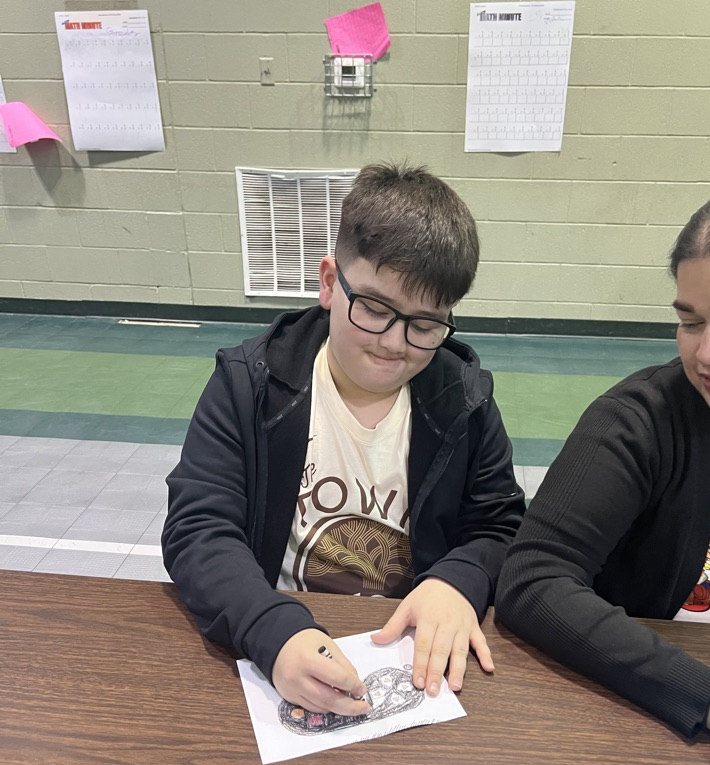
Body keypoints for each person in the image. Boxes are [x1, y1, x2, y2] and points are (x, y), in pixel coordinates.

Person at [163, 162, 524, 716]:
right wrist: (269, 627)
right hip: (279, 639)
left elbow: (500, 525)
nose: (393, 343)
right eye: (375, 308)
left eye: (424, 325)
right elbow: (198, 529)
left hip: (412, 657)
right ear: (330, 283)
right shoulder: (249, 384)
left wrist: (459, 581)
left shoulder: (465, 400)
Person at [495, 172, 710, 757]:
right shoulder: (638, 420)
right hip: (657, 731)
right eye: (690, 321)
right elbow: (532, 577)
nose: (706, 352)